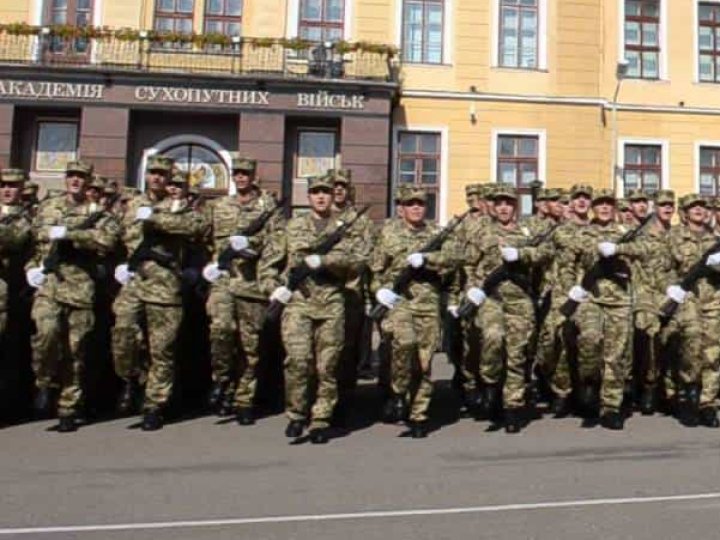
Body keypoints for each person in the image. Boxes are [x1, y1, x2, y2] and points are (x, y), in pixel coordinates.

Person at [265, 175, 365, 443]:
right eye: (315, 192)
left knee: (327, 366)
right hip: (298, 303)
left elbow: (356, 262)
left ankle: (321, 419)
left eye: (326, 192)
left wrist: (325, 261)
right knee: (298, 361)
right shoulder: (292, 227)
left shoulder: (345, 229)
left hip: (332, 303)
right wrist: (273, 288)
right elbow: (269, 264)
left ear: (334, 196)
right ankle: (297, 414)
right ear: (308, 197)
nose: (321, 197)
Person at [111, 156, 208, 431]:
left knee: (161, 349)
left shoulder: (179, 207)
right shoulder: (134, 204)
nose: (156, 178)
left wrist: (154, 219)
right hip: (134, 282)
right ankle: (131, 378)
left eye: (162, 174)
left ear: (169, 179)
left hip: (165, 287)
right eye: (152, 172)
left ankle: (154, 405)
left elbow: (194, 227)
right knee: (123, 334)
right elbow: (121, 235)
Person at [26, 160, 119, 432]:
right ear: (65, 179)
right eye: (71, 176)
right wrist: (32, 268)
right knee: (46, 334)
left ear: (89, 182)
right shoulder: (48, 208)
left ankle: (68, 406)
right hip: (50, 285)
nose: (75, 181)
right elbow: (33, 240)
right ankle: (44, 381)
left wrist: (73, 235)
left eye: (81, 177)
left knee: (75, 351)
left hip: (80, 289)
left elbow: (107, 240)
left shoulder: (100, 214)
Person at [371, 187, 458, 438]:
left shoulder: (436, 233)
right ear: (401, 208)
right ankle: (399, 391)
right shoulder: (388, 234)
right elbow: (375, 269)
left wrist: (428, 260)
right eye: (411, 204)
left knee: (424, 361)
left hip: (428, 305)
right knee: (404, 343)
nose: (416, 208)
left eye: (420, 203)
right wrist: (379, 292)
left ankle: (418, 414)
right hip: (399, 303)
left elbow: (454, 258)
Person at [202, 155, 281, 424]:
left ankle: (244, 400)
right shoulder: (219, 206)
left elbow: (276, 246)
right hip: (223, 282)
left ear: (253, 175)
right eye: (237, 173)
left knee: (250, 347)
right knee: (220, 331)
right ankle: (222, 380)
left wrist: (251, 250)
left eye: (246, 173)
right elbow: (203, 237)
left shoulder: (268, 207)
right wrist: (207, 266)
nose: (241, 177)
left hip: (251, 285)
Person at [566, 189, 648, 430]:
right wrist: (571, 289)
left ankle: (610, 407)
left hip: (620, 301)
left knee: (616, 355)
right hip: (590, 298)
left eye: (608, 204)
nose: (604, 208)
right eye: (599, 203)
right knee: (590, 340)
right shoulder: (582, 233)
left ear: (614, 207)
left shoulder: (624, 232)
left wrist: (619, 249)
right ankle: (589, 381)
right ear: (593, 207)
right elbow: (567, 261)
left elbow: (646, 250)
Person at [664, 194, 720, 428]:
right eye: (692, 207)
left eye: (702, 206)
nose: (698, 210)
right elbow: (663, 267)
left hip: (714, 298)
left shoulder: (715, 237)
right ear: (684, 213)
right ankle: (688, 392)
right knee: (692, 344)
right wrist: (669, 291)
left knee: (714, 352)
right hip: (685, 299)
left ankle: (708, 403)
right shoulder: (672, 236)